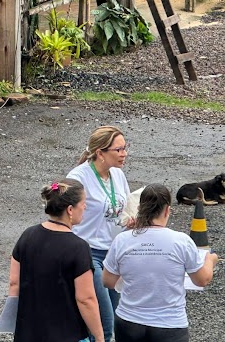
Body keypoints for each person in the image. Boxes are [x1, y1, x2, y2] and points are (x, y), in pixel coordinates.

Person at [102, 184, 219, 342]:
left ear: (140, 208)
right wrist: (210, 260)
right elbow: (201, 279)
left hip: (129, 322)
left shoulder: (122, 240)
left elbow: (108, 281)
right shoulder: (181, 241)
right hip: (169, 325)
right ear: (167, 210)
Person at [9, 179, 104, 342]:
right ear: (70, 209)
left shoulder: (27, 235)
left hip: (29, 333)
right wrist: (100, 337)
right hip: (67, 334)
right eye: (83, 203)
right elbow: (85, 299)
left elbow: (14, 283)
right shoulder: (78, 248)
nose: (85, 207)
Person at [67, 126, 132, 342]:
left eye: (125, 148)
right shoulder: (78, 177)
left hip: (114, 252)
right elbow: (64, 214)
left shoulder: (118, 175)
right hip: (88, 253)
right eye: (119, 149)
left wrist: (130, 220)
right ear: (100, 153)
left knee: (114, 314)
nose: (124, 154)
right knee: (102, 322)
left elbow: (122, 209)